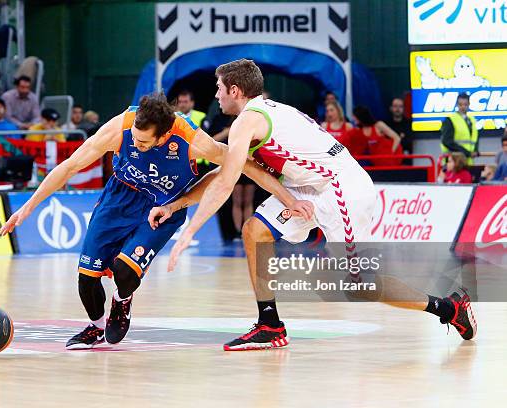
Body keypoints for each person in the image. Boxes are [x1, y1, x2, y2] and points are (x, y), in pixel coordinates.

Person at [157, 59, 476, 350]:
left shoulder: (248, 121)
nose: (216, 96)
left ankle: (448, 307)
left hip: (342, 189)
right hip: (309, 187)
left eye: (219, 89)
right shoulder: (264, 113)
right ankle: (270, 325)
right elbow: (225, 170)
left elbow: (227, 181)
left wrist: (190, 231)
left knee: (361, 288)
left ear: (235, 90)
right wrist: (177, 205)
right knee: (255, 231)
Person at [0, 93, 300, 350]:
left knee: (123, 269)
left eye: (144, 142)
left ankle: (122, 298)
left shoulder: (194, 141)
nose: (137, 143)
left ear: (165, 135)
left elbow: (242, 165)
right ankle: (95, 326)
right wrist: (28, 207)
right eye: (136, 138)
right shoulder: (122, 128)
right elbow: (70, 166)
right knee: (86, 279)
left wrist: (288, 198)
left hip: (162, 206)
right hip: (119, 197)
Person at [441, 93, 479, 165]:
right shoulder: (450, 119)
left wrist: (475, 150)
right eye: (460, 104)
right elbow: (447, 141)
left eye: (465, 104)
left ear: (469, 105)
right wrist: (466, 153)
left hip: (468, 161)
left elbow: (475, 138)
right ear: (457, 105)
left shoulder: (471, 120)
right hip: (453, 161)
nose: (463, 107)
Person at [385, 97, 413, 164]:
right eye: (395, 106)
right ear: (391, 108)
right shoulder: (386, 124)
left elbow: (408, 143)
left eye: (400, 106)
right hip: (389, 160)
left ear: (403, 109)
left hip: (405, 160)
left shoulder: (409, 124)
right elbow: (385, 143)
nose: (397, 109)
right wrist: (399, 137)